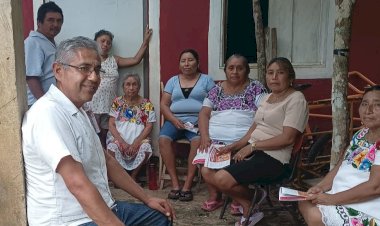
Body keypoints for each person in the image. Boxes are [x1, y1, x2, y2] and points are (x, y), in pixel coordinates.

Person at [22, 36, 173, 226]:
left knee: (160, 218)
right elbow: (77, 183)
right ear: (58, 71)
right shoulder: (48, 114)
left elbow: (108, 161)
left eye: (97, 70)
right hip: (70, 220)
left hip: (102, 207)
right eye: (84, 68)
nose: (94, 78)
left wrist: (147, 199)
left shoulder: (79, 110)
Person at [201, 57, 308, 226]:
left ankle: (252, 202)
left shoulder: (296, 99)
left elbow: (287, 138)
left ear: (290, 77)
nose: (274, 77)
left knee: (222, 178)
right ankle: (252, 204)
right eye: (270, 73)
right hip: (254, 150)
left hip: (275, 157)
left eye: (280, 73)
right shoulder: (267, 98)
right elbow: (254, 129)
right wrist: (234, 146)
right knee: (207, 171)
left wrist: (252, 147)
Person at [299, 85, 380, 226]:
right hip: (342, 196)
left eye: (377, 105)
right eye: (365, 104)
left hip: (367, 207)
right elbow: (342, 164)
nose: (368, 110)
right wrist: (321, 187)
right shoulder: (361, 134)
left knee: (314, 215)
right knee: (304, 200)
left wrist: (331, 199)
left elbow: (375, 187)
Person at [197, 54, 266, 212]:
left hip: (243, 140)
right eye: (231, 68)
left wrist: (241, 142)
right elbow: (203, 113)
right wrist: (205, 137)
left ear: (247, 70)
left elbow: (263, 116)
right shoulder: (216, 90)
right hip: (216, 140)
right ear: (226, 71)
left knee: (235, 164)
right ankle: (217, 196)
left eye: (240, 68)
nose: (235, 71)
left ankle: (239, 197)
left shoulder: (256, 88)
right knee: (205, 167)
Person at [159, 49, 215, 201]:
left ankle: (187, 185)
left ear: (197, 63)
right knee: (163, 139)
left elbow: (214, 103)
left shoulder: (206, 80)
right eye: (183, 60)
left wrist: (202, 118)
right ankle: (175, 184)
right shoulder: (172, 81)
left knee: (197, 142)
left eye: (190, 60)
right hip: (174, 119)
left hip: (198, 120)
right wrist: (173, 119)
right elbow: (164, 105)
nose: (186, 63)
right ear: (179, 64)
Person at [89, 27, 153, 148]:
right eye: (102, 41)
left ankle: (107, 161)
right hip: (93, 104)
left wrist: (145, 41)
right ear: (95, 42)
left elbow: (135, 59)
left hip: (109, 105)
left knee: (106, 135)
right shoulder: (91, 60)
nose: (105, 44)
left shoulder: (114, 60)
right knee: (93, 135)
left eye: (108, 42)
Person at [107, 74, 156, 182]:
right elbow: (111, 124)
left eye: (134, 84)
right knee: (111, 147)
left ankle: (133, 177)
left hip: (138, 140)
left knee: (146, 148)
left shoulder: (146, 104)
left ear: (139, 87)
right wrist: (122, 142)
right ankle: (120, 177)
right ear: (123, 87)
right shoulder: (117, 102)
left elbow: (149, 126)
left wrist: (136, 143)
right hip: (120, 139)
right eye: (128, 84)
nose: (131, 87)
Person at [24, 1, 63, 107]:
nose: (55, 24)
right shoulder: (33, 42)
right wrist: (45, 104)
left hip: (51, 102)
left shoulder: (52, 43)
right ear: (39, 22)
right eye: (51, 20)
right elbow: (32, 78)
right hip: (38, 104)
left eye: (59, 21)